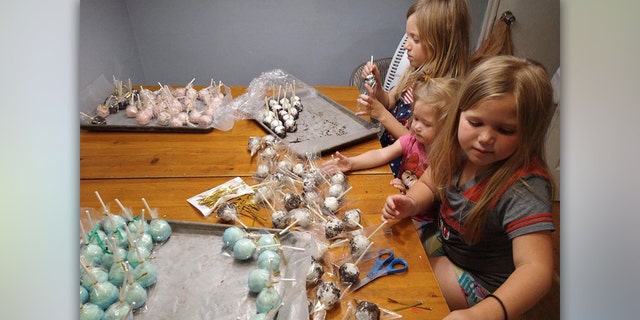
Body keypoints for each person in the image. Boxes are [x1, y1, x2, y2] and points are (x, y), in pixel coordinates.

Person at [381, 55, 557, 319]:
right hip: (446, 242)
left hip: (482, 282)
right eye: (475, 123)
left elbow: (536, 270)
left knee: (407, 283)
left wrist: (481, 314)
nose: (485, 138)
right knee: (390, 248)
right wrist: (413, 202)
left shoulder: (524, 186)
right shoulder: (457, 148)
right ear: (458, 114)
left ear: (528, 134)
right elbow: (429, 181)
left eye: (506, 130)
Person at [322, 77, 460, 230]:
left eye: (426, 123)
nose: (416, 127)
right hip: (398, 203)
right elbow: (381, 154)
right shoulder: (412, 140)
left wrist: (408, 198)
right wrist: (352, 163)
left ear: (448, 128)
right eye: (416, 118)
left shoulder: (445, 158)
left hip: (424, 221)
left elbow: (427, 192)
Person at [357, 0, 470, 177]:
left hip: (408, 170)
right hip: (386, 153)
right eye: (407, 37)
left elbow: (414, 140)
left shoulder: (443, 93)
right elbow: (388, 101)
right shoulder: (413, 72)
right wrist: (378, 87)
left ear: (442, 44)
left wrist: (382, 115)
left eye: (415, 39)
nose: (406, 45)